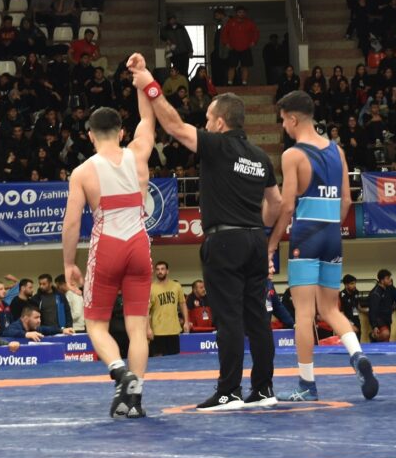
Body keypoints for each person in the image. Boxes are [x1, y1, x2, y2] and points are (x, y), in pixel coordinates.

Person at [129, 53, 281, 411]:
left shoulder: (218, 144)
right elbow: (276, 203)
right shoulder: (260, 157)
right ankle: (263, 389)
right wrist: (257, 229)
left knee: (228, 318)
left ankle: (229, 392)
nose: (207, 124)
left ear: (221, 122)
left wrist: (150, 84)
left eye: (210, 119)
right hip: (255, 240)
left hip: (225, 241)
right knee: (258, 318)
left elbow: (173, 125)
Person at [269, 90, 377, 402]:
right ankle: (357, 354)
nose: (283, 127)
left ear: (293, 118)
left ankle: (307, 384)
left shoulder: (293, 155)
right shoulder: (336, 151)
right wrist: (331, 228)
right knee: (330, 308)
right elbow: (347, 200)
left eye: (283, 121)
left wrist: (271, 245)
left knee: (304, 313)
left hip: (306, 236)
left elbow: (287, 206)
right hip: (332, 234)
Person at [62, 94, 157, 420]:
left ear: (90, 135)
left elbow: (72, 223)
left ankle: (120, 372)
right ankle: (135, 399)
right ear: (122, 132)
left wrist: (68, 263)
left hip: (108, 247)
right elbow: (148, 121)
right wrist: (142, 82)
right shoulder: (138, 153)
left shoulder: (83, 172)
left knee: (96, 324)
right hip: (139, 244)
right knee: (137, 327)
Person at [147, 261, 190, 356]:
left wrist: (186, 322)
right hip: (157, 331)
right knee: (158, 359)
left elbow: (183, 304)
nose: (160, 271)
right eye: (158, 269)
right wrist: (148, 328)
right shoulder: (151, 288)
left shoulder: (176, 286)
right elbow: (146, 311)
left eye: (162, 269)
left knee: (175, 358)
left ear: (167, 271)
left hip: (174, 330)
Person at [221, 6, 260, 86]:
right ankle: (229, 83)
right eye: (239, 12)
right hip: (233, 48)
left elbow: (256, 32)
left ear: (245, 13)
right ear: (236, 13)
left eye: (243, 12)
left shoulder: (250, 22)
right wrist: (226, 43)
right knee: (231, 66)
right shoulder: (230, 22)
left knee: (245, 66)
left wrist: (253, 42)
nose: (241, 14)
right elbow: (224, 33)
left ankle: (244, 83)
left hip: (246, 48)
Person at [367, 269, 396, 340]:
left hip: (387, 318)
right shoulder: (375, 293)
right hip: (379, 319)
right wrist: (374, 326)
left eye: (390, 278)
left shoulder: (389, 288)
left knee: (386, 340)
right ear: (382, 280)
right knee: (385, 334)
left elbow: (395, 296)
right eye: (388, 278)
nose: (390, 280)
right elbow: (372, 310)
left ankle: (375, 340)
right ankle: (372, 336)